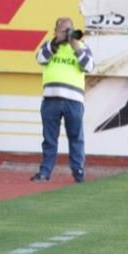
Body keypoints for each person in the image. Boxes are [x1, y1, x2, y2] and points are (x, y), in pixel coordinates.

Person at [31, 17, 95, 183]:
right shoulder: (49, 46)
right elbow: (40, 59)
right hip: (51, 98)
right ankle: (45, 172)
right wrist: (55, 43)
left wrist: (75, 46)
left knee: (76, 138)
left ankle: (78, 172)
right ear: (55, 31)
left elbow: (89, 67)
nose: (67, 33)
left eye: (69, 30)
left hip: (74, 100)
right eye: (63, 30)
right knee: (49, 138)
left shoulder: (82, 46)